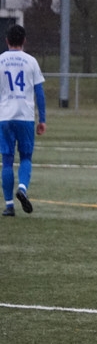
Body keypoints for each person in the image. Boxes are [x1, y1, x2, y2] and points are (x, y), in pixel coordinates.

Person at [1, 24, 46, 217]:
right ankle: (22, 188)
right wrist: (42, 119)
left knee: (7, 161)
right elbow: (39, 92)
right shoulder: (31, 61)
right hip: (25, 117)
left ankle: (9, 205)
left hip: (5, 117)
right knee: (26, 157)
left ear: (7, 41)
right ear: (24, 41)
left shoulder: (0, 60)